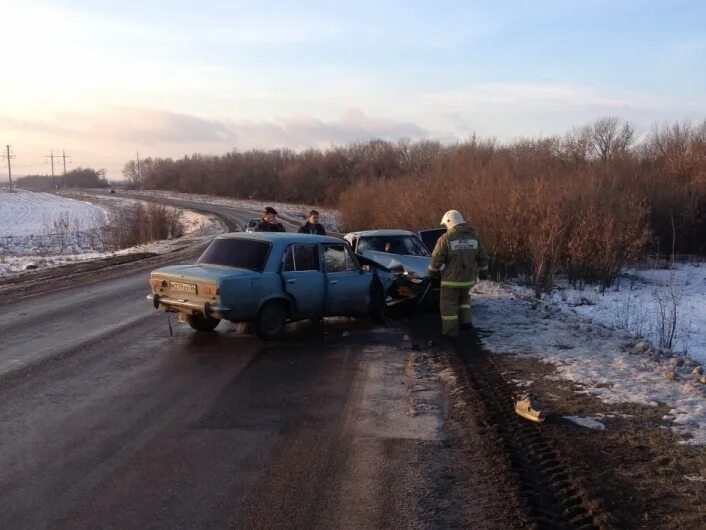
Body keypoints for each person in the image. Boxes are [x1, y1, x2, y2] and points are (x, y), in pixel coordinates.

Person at [428, 210, 489, 337]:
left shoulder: (446, 238)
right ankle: (465, 324)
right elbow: (483, 256)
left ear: (450, 222)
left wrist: (432, 272)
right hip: (467, 279)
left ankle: (450, 332)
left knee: (448, 307)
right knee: (464, 301)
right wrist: (484, 270)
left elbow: (437, 258)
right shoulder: (473, 236)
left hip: (451, 281)